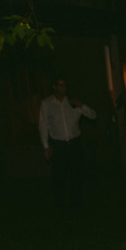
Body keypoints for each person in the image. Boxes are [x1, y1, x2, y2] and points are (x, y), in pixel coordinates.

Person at [38, 78, 95, 208]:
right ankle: (60, 205)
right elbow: (43, 125)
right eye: (60, 85)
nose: (63, 88)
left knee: (77, 175)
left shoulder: (72, 102)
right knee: (59, 177)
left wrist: (81, 105)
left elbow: (93, 115)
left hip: (75, 144)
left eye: (65, 85)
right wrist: (46, 146)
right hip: (59, 146)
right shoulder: (47, 103)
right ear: (54, 86)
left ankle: (76, 204)